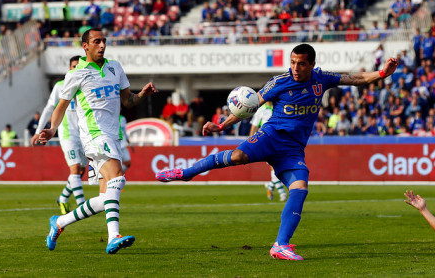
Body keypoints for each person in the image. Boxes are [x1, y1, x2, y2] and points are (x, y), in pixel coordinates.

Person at [156, 44, 399, 260]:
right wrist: (220, 125)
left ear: (311, 64)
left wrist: (381, 73)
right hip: (270, 137)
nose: (295, 68)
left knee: (300, 189)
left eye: (301, 64)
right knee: (238, 156)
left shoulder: (321, 79)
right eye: (293, 62)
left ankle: (280, 245)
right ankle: (187, 173)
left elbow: (354, 78)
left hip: (293, 149)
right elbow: (249, 106)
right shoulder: (279, 82)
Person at [39, 28, 158, 254]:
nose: (102, 45)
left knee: (105, 198)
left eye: (104, 41)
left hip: (113, 136)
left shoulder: (116, 67)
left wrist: (142, 95)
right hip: (94, 136)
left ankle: (59, 222)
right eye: (97, 41)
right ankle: (114, 236)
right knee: (118, 179)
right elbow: (61, 106)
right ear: (85, 46)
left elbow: (128, 101)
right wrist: (52, 128)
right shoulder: (76, 74)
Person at [31, 56, 88, 215]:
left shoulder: (86, 86)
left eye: (79, 66)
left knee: (81, 171)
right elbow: (49, 108)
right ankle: (82, 206)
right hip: (67, 133)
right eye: (73, 66)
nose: (75, 69)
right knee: (75, 168)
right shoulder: (60, 86)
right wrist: (38, 131)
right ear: (69, 68)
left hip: (84, 135)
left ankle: (63, 198)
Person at [250, 101, 287, 202]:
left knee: (279, 167)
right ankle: (282, 193)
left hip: (279, 140)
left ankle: (270, 186)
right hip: (266, 141)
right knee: (274, 167)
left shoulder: (279, 108)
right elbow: (254, 126)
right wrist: (251, 143)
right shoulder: (261, 110)